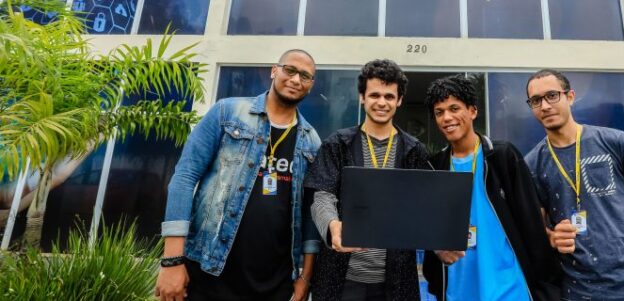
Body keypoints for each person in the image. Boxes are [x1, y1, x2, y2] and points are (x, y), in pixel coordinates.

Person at [155, 49, 322, 301]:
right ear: (274, 71)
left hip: (275, 283)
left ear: (310, 85)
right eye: (290, 70)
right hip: (209, 271)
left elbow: (310, 215)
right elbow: (184, 178)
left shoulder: (311, 141)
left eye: (305, 76)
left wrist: (305, 278)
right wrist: (172, 261)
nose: (296, 80)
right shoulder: (227, 113)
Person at [524, 69, 624, 301]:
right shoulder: (532, 164)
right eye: (536, 100)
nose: (545, 106)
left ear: (570, 97)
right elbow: (535, 230)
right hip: (579, 290)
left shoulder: (615, 142)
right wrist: (551, 238)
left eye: (552, 95)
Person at [422, 74, 561, 301]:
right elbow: (430, 231)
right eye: (439, 112)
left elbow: (531, 223)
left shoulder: (502, 156)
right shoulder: (434, 166)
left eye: (454, 108)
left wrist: (546, 287)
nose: (447, 117)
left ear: (472, 111)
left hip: (509, 287)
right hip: (459, 287)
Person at [305, 59, 429, 301]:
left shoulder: (414, 150)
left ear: (399, 100)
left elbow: (425, 206)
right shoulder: (338, 144)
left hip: (396, 282)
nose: (382, 102)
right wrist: (332, 225)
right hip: (342, 280)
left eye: (389, 96)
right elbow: (322, 195)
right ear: (362, 97)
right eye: (374, 95)